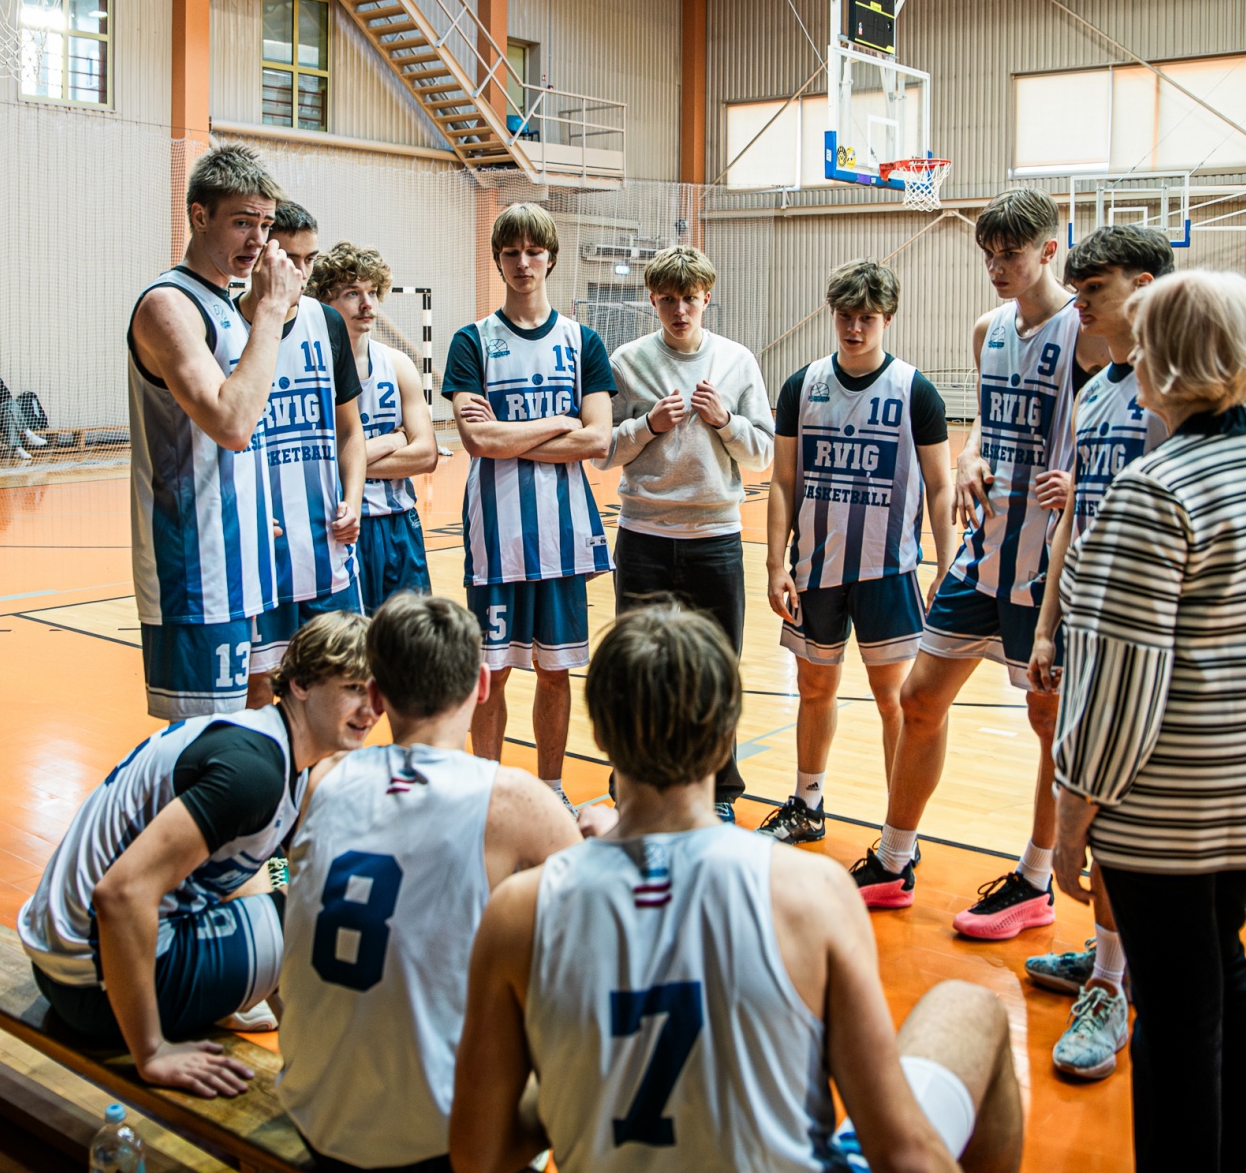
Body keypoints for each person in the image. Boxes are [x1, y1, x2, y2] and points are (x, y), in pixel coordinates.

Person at [449, 604, 1023, 1173]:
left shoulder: (521, 910)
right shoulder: (812, 893)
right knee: (970, 1007)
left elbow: (479, 1154)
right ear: (728, 735)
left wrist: (578, 1065)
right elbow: (902, 1153)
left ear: (599, 733)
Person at [1049, 269, 1246, 1172]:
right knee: (1222, 971)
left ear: (1163, 360)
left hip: (1172, 809)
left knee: (1174, 1014)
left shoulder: (1156, 489)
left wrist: (1071, 820)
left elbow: (1117, 692)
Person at [848, 191, 1104, 933]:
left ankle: (1035, 880)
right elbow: (989, 424)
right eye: (988, 254)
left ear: (1049, 251)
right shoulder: (987, 330)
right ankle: (894, 858)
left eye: (1011, 254)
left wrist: (1083, 479)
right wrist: (968, 457)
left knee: (1048, 721)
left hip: (1045, 563)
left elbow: (1119, 418)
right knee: (920, 700)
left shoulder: (1085, 331)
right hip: (982, 549)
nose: (996, 266)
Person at [278, 593, 584, 1172]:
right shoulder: (515, 799)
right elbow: (607, 942)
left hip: (315, 1112)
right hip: (437, 1143)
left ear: (376, 696)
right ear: (482, 685)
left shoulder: (324, 780)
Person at [17, 613, 380, 1095]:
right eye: (353, 688)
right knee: (317, 911)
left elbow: (238, 879)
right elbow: (120, 895)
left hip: (67, 967)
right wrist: (152, 1053)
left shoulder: (269, 745)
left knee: (287, 895)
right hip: (91, 990)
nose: (369, 710)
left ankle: (303, 1048)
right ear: (301, 684)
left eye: (376, 691)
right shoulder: (253, 775)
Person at [1007, 224, 1175, 1082]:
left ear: (1144, 287)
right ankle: (1111, 956)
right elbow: (1075, 512)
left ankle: (1115, 981)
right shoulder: (1098, 389)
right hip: (1087, 623)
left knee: (1130, 807)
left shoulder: (1182, 394)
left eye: (1094, 291)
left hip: (1150, 634)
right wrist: (1048, 624)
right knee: (1098, 795)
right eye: (1074, 292)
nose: (1079, 305)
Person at [761, 259, 955, 845]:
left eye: (867, 318)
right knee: (814, 688)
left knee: (896, 701)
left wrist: (946, 564)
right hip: (815, 568)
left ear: (887, 319)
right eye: (845, 316)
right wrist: (775, 563)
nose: (854, 328)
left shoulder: (915, 390)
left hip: (887, 570)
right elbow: (783, 481)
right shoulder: (802, 385)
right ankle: (808, 804)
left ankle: (900, 834)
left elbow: (941, 486)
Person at [442, 203, 616, 806]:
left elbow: (598, 440)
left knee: (554, 671)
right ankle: (486, 795)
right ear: (498, 260)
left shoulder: (582, 342)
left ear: (550, 258)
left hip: (563, 538)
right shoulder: (472, 341)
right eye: (511, 252)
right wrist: (560, 422)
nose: (522, 263)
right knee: (490, 673)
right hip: (496, 535)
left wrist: (511, 435)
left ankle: (550, 791)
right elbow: (477, 440)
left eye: (533, 251)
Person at [597, 245, 773, 823]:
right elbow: (602, 450)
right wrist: (647, 425)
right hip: (644, 535)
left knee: (717, 668)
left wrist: (726, 421)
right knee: (636, 668)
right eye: (668, 300)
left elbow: (763, 454)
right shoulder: (627, 362)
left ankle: (718, 791)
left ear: (707, 298)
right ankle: (633, 786)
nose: (679, 311)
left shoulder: (737, 361)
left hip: (716, 538)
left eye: (689, 299)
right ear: (652, 299)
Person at [128, 143, 304, 719]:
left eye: (266, 225)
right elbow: (231, 423)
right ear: (199, 215)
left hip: (245, 554)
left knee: (256, 719)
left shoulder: (226, 304)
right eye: (242, 222)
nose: (258, 240)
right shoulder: (168, 305)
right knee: (207, 745)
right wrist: (272, 309)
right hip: (196, 567)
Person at [242, 201, 367, 709]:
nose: (301, 272)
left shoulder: (327, 323)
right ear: (260, 255)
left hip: (325, 547)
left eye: (309, 260)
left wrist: (353, 499)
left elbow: (351, 432)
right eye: (289, 259)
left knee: (338, 683)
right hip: (260, 552)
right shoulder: (226, 326)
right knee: (258, 687)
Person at [310, 242, 439, 612]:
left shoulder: (397, 364)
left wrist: (351, 459)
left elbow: (426, 455)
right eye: (352, 293)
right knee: (350, 638)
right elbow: (317, 464)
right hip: (341, 523)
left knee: (409, 637)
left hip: (399, 525)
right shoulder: (312, 370)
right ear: (324, 300)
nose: (367, 304)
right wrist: (391, 441)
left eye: (371, 292)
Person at [0, 364, 48, 462]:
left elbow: (10, 405)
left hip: (2, 421)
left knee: (8, 414)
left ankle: (18, 448)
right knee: (10, 403)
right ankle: (27, 433)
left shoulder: (1, 386)